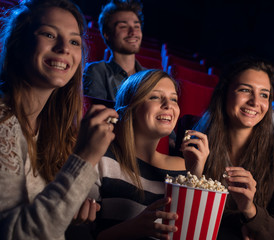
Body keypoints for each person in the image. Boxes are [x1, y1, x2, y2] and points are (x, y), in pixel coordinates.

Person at [0, 0, 118, 239]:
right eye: (49, 34)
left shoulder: (55, 128)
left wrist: (69, 213)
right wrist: (85, 158)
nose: (65, 47)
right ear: (18, 44)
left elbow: (43, 219)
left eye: (74, 41)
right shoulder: (3, 119)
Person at [193, 57, 274, 239]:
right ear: (225, 92)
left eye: (264, 94)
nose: (255, 102)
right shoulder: (198, 139)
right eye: (245, 90)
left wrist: (250, 210)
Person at [87, 69, 209, 240]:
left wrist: (196, 176)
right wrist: (131, 228)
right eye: (155, 97)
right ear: (131, 106)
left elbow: (194, 234)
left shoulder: (184, 168)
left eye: (174, 99)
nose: (168, 105)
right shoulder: (100, 159)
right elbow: (76, 234)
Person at [82, 0, 145, 101]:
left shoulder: (149, 76)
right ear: (107, 34)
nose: (133, 32)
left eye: (137, 26)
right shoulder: (97, 71)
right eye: (123, 27)